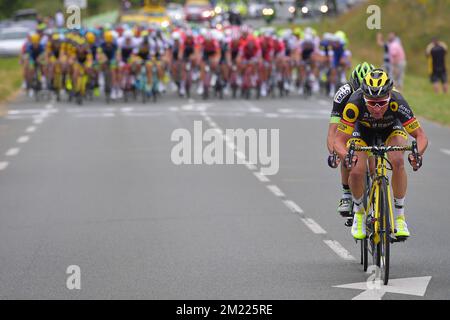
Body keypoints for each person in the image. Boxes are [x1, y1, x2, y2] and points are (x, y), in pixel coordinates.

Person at [334, 69, 428, 240]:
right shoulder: (354, 104)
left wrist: (417, 153)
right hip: (362, 132)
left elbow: (420, 136)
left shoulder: (398, 102)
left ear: (389, 96)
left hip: (391, 130)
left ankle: (399, 218)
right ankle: (359, 214)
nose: (376, 108)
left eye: (382, 102)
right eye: (371, 102)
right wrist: (346, 155)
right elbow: (338, 140)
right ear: (364, 97)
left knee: (398, 160)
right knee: (355, 169)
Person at [327, 62, 374, 216]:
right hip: (350, 124)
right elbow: (333, 130)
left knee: (374, 164)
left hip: (372, 123)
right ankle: (346, 194)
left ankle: (378, 190)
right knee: (346, 151)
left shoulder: (378, 93)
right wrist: (334, 153)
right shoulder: (344, 93)